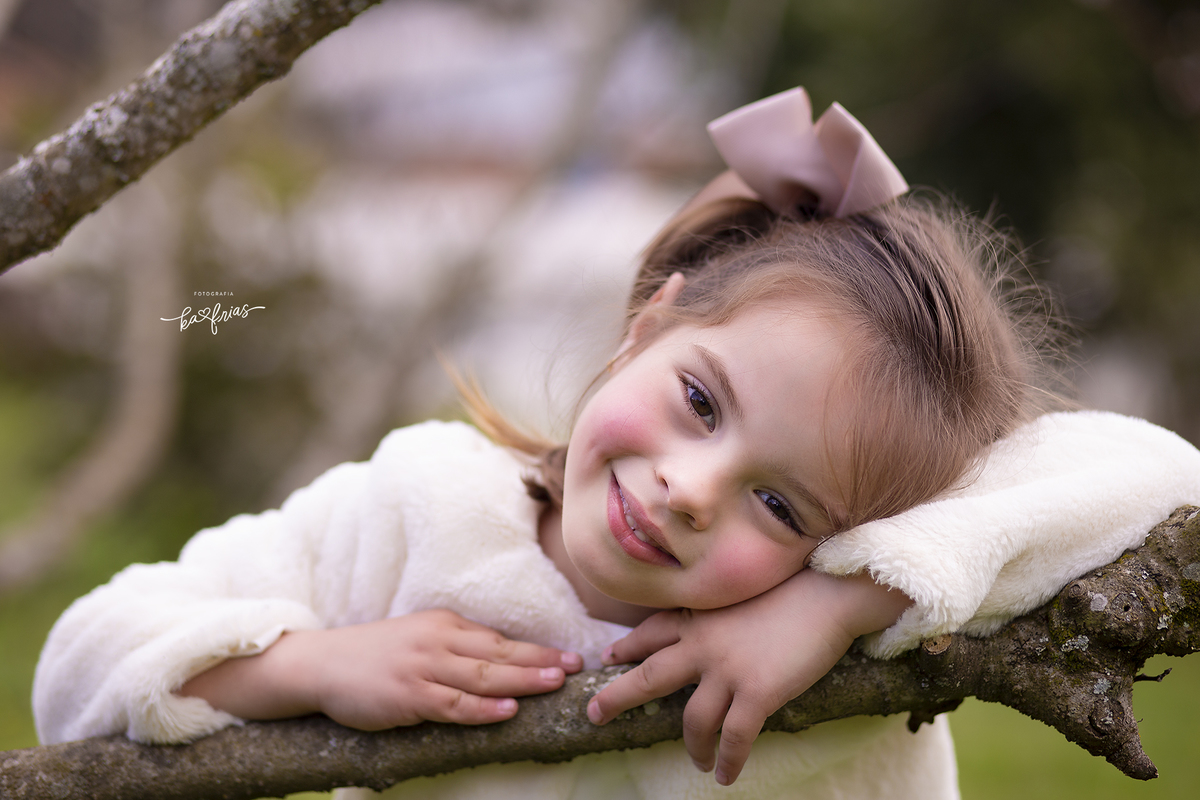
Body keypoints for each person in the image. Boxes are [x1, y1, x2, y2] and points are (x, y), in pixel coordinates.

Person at [33, 87, 1200, 799]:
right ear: (651, 322)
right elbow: (79, 667)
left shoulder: (871, 616)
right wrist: (310, 667)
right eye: (701, 401)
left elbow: (1165, 476)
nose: (694, 490)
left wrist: (839, 603)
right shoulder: (414, 509)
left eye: (783, 507)